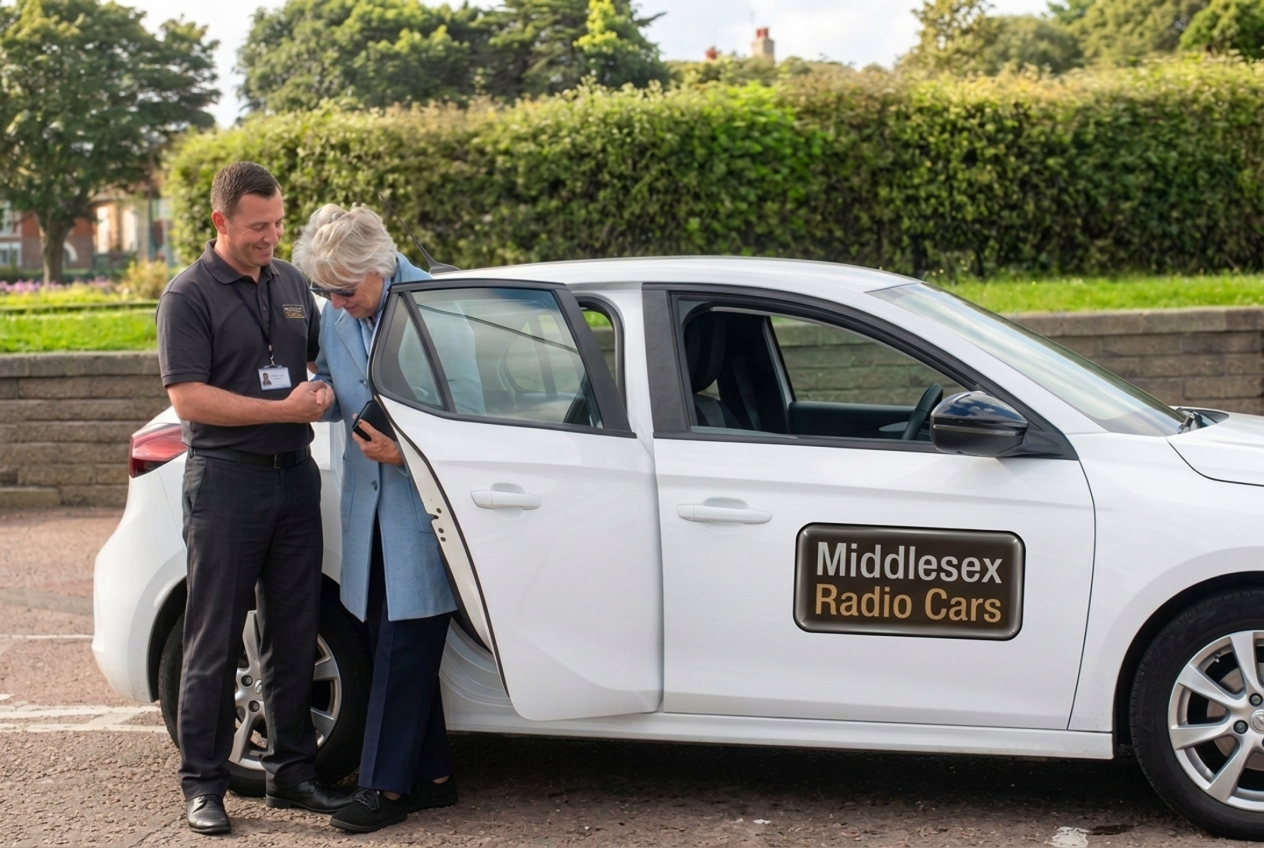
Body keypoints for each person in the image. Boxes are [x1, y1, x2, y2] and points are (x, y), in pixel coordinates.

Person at [156, 163, 351, 836]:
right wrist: (282, 407)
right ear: (221, 221)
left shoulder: (291, 282)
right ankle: (204, 785)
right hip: (226, 481)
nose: (271, 237)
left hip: (294, 476)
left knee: (294, 630)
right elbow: (188, 398)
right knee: (213, 638)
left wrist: (324, 388)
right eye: (257, 227)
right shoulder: (187, 295)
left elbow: (326, 357)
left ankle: (292, 774)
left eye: (277, 223)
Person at [294, 204, 475, 833]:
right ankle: (433, 778)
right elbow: (334, 383)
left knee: (405, 646)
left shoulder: (436, 307)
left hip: (423, 508)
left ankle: (383, 789)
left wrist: (405, 454)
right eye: (326, 293)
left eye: (345, 291)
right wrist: (318, 396)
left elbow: (470, 413)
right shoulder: (340, 311)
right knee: (387, 644)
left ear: (381, 266)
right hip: (366, 510)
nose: (337, 304)